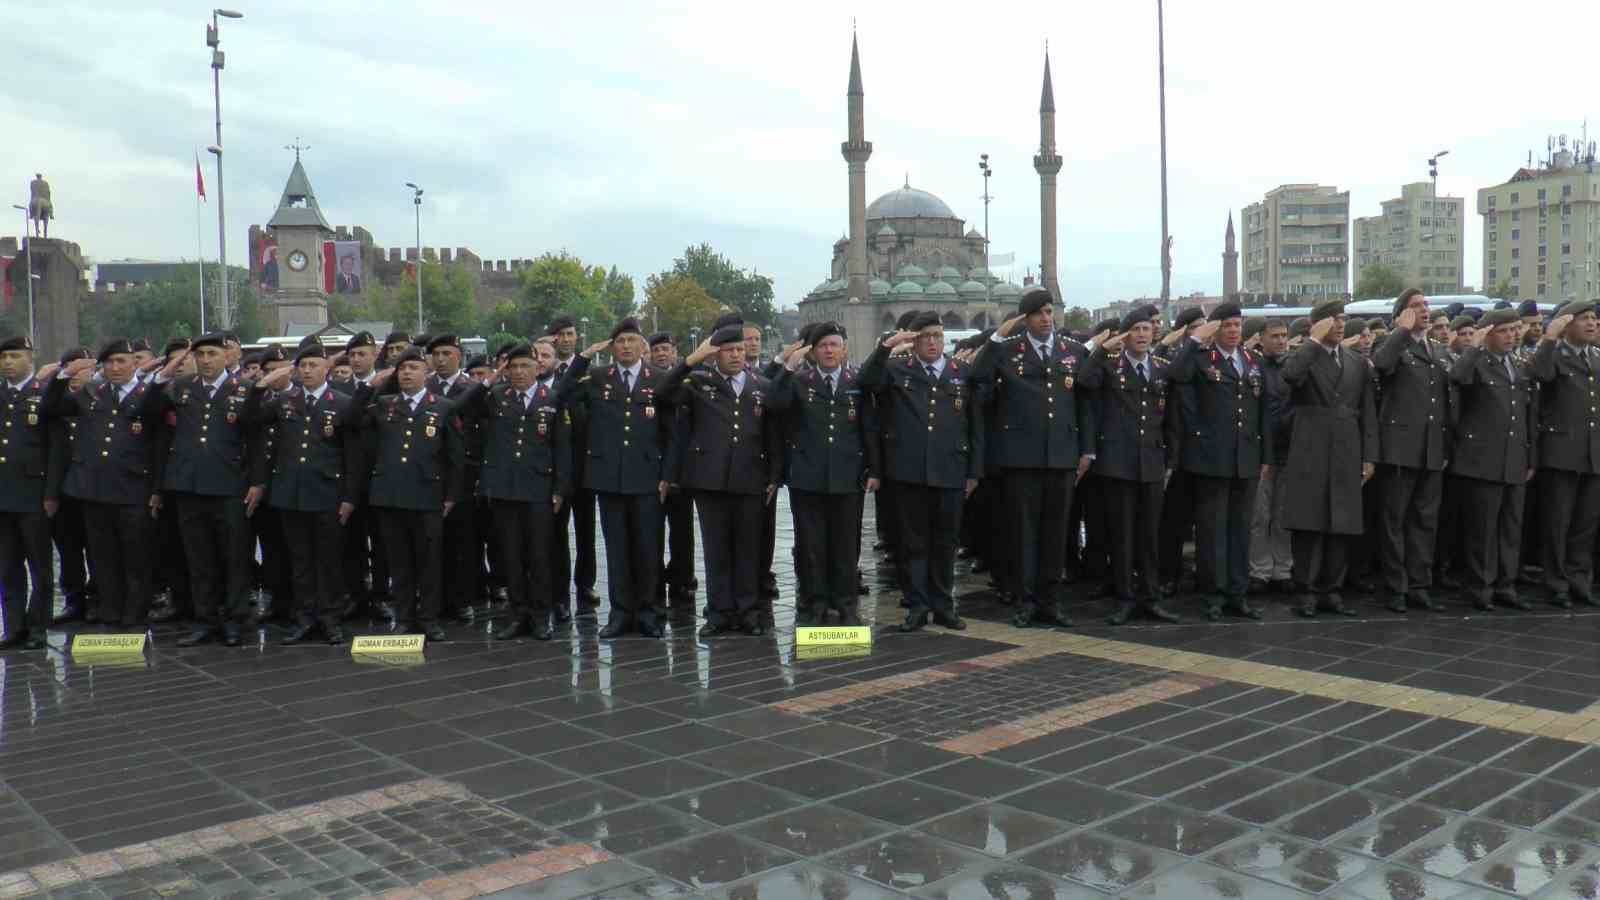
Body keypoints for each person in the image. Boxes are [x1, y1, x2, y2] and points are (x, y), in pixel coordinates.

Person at [969, 288, 1093, 628]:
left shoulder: (1072, 351)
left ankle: (1050, 601)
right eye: (1038, 313)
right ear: (1025, 319)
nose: (1046, 318)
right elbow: (976, 376)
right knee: (1023, 533)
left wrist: (1087, 449)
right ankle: (1025, 601)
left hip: (1061, 457)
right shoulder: (1008, 351)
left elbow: (1085, 402)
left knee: (1056, 533)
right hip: (1020, 458)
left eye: (1049, 312)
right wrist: (997, 336)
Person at [858, 311, 982, 632]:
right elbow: (866, 381)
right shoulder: (897, 369)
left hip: (950, 469)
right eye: (925, 336)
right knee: (912, 543)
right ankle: (916, 605)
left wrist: (973, 471)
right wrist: (887, 347)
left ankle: (943, 604)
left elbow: (975, 426)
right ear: (913, 341)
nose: (932, 342)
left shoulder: (961, 372)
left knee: (945, 542)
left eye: (937, 336)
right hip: (908, 471)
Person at [555, 318, 673, 638]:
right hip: (609, 477)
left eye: (631, 341)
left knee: (649, 549)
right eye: (619, 341)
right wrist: (582, 358)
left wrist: (668, 475)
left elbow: (672, 430)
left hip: (648, 477)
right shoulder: (596, 377)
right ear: (612, 347)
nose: (625, 347)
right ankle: (620, 613)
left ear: (641, 346)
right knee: (617, 548)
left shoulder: (659, 378)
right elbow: (560, 395)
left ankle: (649, 613)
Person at [662, 326, 783, 636]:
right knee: (715, 549)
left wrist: (774, 475)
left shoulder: (762, 385)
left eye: (740, 350)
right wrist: (690, 360)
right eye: (729, 350)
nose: (736, 355)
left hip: (750, 477)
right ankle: (719, 612)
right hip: (709, 478)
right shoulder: (698, 383)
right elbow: (663, 393)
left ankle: (747, 611)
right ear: (716, 354)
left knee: (748, 548)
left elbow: (774, 434)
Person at [143, 333, 261, 646]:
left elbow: (258, 441)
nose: (206, 360)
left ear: (227, 356)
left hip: (229, 485)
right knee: (199, 559)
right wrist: (161, 377)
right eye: (201, 355)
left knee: (234, 558)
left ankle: (235, 620)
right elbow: (148, 410)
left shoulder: (244, 390)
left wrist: (257, 483)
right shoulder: (181, 388)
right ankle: (205, 619)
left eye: (212, 354)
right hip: (189, 485)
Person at [248, 343, 367, 644]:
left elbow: (352, 455)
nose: (308, 370)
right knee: (299, 560)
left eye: (314, 365)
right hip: (291, 494)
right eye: (303, 366)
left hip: (328, 493)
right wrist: (261, 386)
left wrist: (350, 497)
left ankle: (330, 618)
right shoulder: (286, 400)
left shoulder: (341, 402)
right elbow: (251, 420)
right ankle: (304, 617)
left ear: (327, 368)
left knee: (329, 561)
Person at [42, 339, 164, 629]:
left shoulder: (148, 393)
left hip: (133, 489)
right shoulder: (92, 393)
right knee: (103, 556)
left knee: (134, 556)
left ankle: (134, 612)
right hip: (95, 490)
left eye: (122, 361)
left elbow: (159, 446)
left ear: (134, 363)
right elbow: (52, 407)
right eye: (109, 362)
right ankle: (109, 611)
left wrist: (157, 489)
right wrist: (63, 375)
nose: (115, 367)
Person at [454, 345, 571, 640]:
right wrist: (490, 378)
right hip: (504, 489)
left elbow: (562, 449)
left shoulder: (552, 399)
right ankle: (518, 614)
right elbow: (461, 408)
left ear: (537, 368)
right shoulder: (496, 397)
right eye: (513, 366)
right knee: (511, 556)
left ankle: (540, 616)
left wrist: (559, 488)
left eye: (524, 366)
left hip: (538, 489)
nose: (518, 372)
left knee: (539, 555)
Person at [764, 322, 878, 626]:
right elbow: (773, 405)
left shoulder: (857, 382)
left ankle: (845, 604)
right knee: (811, 545)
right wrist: (788, 367)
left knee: (846, 545)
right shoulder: (800, 381)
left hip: (847, 475)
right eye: (823, 346)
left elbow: (869, 428)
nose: (829, 350)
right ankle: (815, 603)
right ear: (812, 352)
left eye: (834, 344)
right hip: (808, 477)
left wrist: (875, 469)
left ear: (844, 349)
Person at [1169, 302, 1274, 620]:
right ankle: (1212, 593)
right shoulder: (1200, 359)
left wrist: (1266, 456)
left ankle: (1237, 592)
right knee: (1212, 529)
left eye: (1237, 325)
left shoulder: (1252, 361)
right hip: (1211, 458)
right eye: (1227, 325)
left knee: (1241, 528)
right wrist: (1194, 341)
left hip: (1246, 458)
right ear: (1215, 329)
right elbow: (1176, 375)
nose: (1233, 331)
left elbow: (1263, 412)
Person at [1077, 308, 1179, 625]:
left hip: (1151, 462)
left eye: (1147, 329)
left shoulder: (1162, 369)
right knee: (1121, 536)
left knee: (1149, 536)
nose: (1142, 335)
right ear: (1124, 335)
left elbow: (1172, 420)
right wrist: (1101, 350)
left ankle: (1150, 596)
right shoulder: (1109, 367)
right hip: (1117, 464)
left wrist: (1170, 460)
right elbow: (1083, 380)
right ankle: (1124, 598)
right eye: (1135, 329)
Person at [1279, 300, 1378, 617]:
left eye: (1342, 319)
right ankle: (1305, 591)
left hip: (1347, 448)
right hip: (1311, 446)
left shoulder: (1356, 361)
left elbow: (1369, 413)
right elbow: (1291, 376)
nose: (1340, 324)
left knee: (1341, 524)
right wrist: (1313, 341)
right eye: (1334, 320)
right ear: (1318, 324)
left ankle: (1331, 590)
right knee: (1309, 524)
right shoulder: (1304, 356)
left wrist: (1369, 455)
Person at [360, 348, 464, 641]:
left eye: (413, 368)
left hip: (428, 495)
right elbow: (354, 419)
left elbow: (454, 456)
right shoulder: (384, 404)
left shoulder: (443, 407)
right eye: (402, 368)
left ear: (426, 373)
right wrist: (371, 386)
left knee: (429, 561)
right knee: (400, 561)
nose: (406, 373)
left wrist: (451, 496)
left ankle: (429, 617)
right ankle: (404, 616)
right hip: (390, 495)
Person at [1449, 308, 1537, 611]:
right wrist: (1475, 346)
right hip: (1482, 459)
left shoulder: (1519, 365)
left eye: (1515, 330)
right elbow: (1457, 377)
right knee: (1483, 530)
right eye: (1504, 330)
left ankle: (1505, 584)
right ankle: (1481, 586)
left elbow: (1528, 414)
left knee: (1511, 529)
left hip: (1514, 457)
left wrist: (1531, 456)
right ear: (1488, 333)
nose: (1512, 335)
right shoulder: (1477, 363)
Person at [1372, 289, 1453, 613]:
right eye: (1416, 306)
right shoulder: (1392, 344)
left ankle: (1419, 584)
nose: (1424, 310)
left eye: (1426, 305)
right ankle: (1396, 586)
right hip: (1399, 448)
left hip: (1431, 448)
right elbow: (1381, 365)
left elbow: (1444, 403)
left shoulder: (1437, 349)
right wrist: (1401, 330)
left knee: (1425, 521)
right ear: (1401, 314)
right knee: (1394, 520)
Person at [1530, 301, 1600, 608]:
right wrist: (1550, 338)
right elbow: (1539, 374)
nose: (1592, 323)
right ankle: (1556, 582)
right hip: (1561, 452)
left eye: (1594, 319)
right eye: (1584, 318)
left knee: (1585, 524)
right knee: (1558, 522)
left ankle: (1579, 580)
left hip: (1593, 454)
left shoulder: (1597, 357)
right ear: (1566, 325)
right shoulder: (1554, 356)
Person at [0, 336, 59, 650]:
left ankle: (38, 627)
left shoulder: (44, 395)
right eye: (4, 356)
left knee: (40, 565)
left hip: (34, 494)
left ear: (30, 358)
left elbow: (55, 449)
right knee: (7, 566)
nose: (8, 362)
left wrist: (51, 494)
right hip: (3, 494)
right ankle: (13, 627)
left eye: (14, 355)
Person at [548, 316, 601, 614]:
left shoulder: (590, 374)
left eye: (570, 334)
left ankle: (585, 583)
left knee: (585, 528)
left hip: (582, 461)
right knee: (556, 531)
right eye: (561, 335)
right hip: (556, 464)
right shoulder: (544, 373)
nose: (566, 339)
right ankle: (559, 590)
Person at [648, 333, 697, 607]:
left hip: (684, 467)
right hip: (656, 464)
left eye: (666, 349)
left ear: (675, 352)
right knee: (654, 527)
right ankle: (655, 578)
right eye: (656, 350)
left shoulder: (690, 380)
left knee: (682, 529)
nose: (661, 354)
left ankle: (684, 577)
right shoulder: (650, 382)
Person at [1247, 318, 1295, 595]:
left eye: (1284, 335)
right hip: (1261, 452)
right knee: (1259, 514)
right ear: (1261, 339)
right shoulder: (1254, 367)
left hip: (1288, 449)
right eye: (1274, 336)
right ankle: (1259, 569)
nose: (1280, 340)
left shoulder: (1293, 367)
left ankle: (1283, 569)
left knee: (1283, 514)